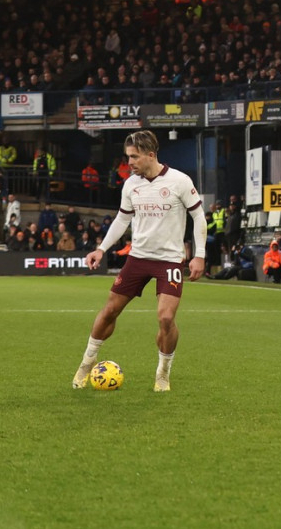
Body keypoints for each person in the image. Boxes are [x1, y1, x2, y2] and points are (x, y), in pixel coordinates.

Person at [72, 130, 206, 394]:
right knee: (110, 310)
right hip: (137, 258)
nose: (129, 162)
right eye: (127, 156)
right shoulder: (131, 184)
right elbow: (122, 219)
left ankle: (163, 373)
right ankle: (86, 364)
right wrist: (101, 248)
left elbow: (198, 217)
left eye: (134, 157)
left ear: (151, 155)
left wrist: (199, 254)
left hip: (168, 261)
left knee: (166, 318)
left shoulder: (179, 181)